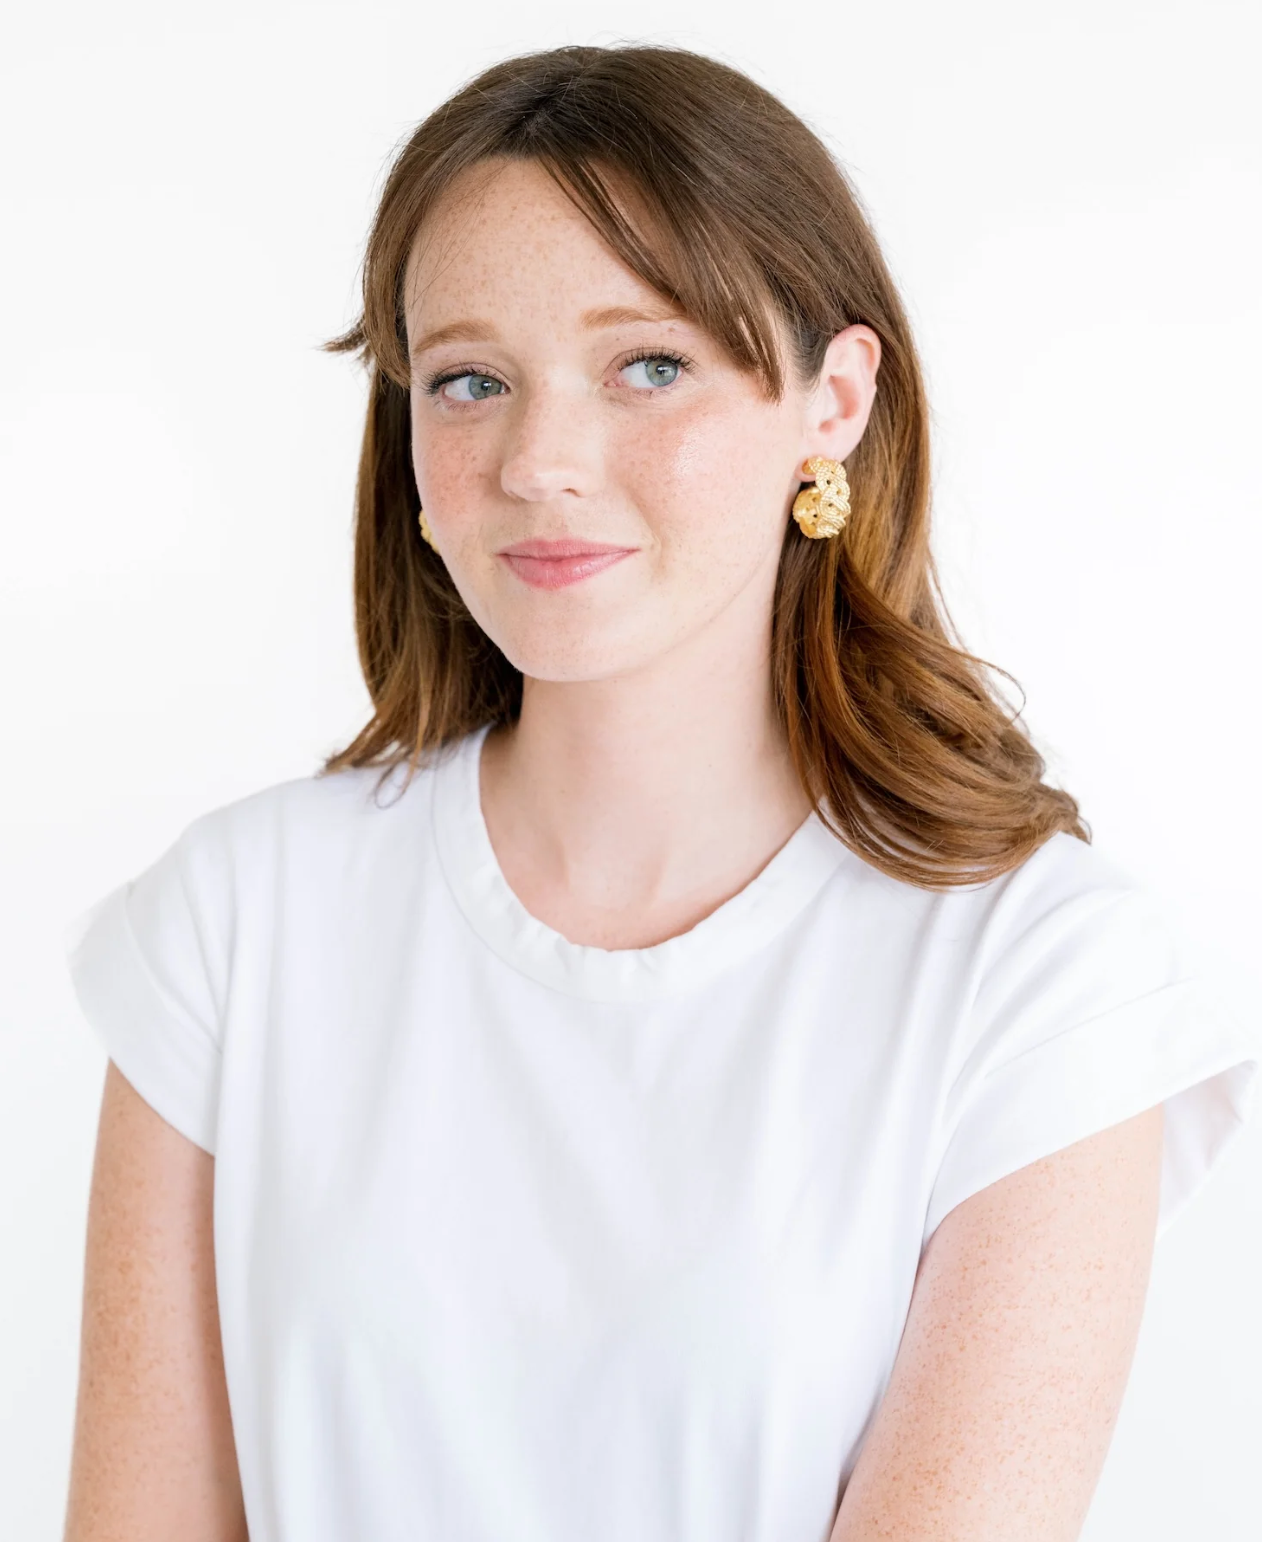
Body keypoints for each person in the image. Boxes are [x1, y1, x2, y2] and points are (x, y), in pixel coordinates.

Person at [61, 43, 1257, 1542]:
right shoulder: (235, 925)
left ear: (834, 398)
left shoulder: (1042, 976)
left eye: (648, 365)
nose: (540, 463)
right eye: (471, 381)